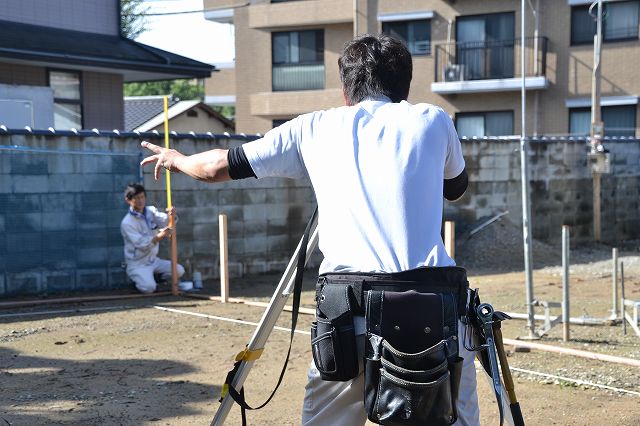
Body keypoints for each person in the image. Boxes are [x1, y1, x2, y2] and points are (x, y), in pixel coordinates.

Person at [140, 34, 477, 425]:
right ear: (404, 88)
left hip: (349, 311)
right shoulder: (433, 120)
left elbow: (217, 167)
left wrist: (176, 158)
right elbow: (456, 186)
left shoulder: (313, 127)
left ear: (345, 91)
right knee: (453, 415)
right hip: (436, 307)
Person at [121, 182, 185, 293]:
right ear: (128, 200)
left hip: (153, 260)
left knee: (179, 270)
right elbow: (142, 245)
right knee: (148, 288)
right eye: (136, 198)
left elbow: (165, 221)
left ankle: (156, 278)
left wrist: (171, 215)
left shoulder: (151, 211)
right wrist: (160, 236)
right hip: (138, 263)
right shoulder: (127, 223)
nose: (140, 200)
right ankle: (138, 282)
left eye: (142, 197)